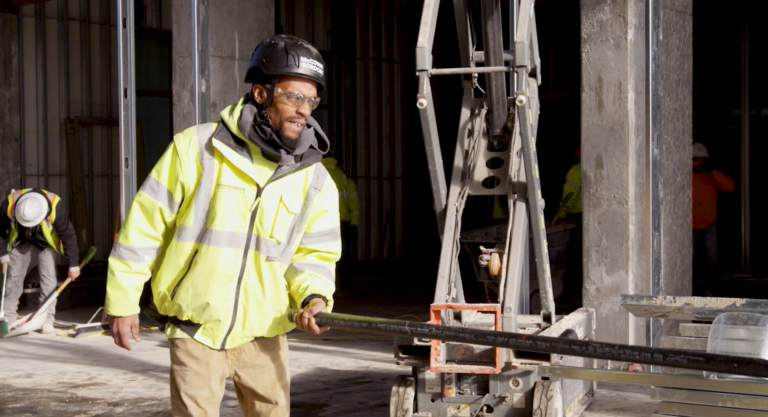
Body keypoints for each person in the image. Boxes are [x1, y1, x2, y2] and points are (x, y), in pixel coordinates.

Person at [105, 35, 340, 416]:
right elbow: (143, 229)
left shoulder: (314, 179)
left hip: (265, 331)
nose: (304, 110)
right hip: (195, 327)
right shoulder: (196, 149)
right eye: (293, 96)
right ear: (261, 94)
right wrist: (122, 300)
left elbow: (314, 255)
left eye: (311, 100)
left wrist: (314, 298)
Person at [0, 189, 81, 333]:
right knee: (14, 278)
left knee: (48, 279)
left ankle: (46, 319)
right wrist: (2, 255)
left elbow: (68, 236)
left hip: (45, 242)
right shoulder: (8, 204)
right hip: (20, 240)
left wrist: (73, 265)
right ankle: (7, 318)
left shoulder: (55, 207)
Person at [691, 142, 734, 296]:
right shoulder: (683, 177)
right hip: (690, 225)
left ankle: (705, 286)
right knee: (691, 260)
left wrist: (714, 172)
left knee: (711, 259)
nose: (699, 163)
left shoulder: (711, 176)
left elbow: (730, 187)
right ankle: (694, 287)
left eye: (702, 160)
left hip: (709, 225)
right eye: (696, 159)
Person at [321, 152, 359, 295]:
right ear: (339, 164)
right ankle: (346, 288)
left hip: (321, 221)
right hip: (342, 222)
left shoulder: (317, 172)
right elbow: (353, 203)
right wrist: (354, 224)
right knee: (344, 257)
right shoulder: (344, 177)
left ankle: (324, 289)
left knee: (320, 254)